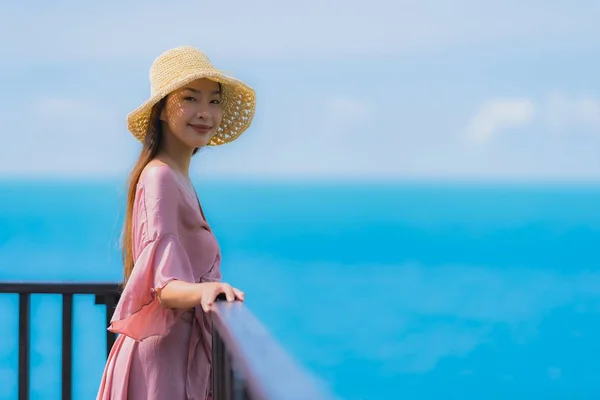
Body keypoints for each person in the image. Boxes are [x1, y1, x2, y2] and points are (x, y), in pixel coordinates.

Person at [96, 46, 256, 400]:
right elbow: (164, 287)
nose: (205, 113)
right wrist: (206, 291)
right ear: (162, 110)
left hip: (174, 356)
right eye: (190, 98)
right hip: (162, 364)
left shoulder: (175, 176)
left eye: (214, 101)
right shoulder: (161, 178)